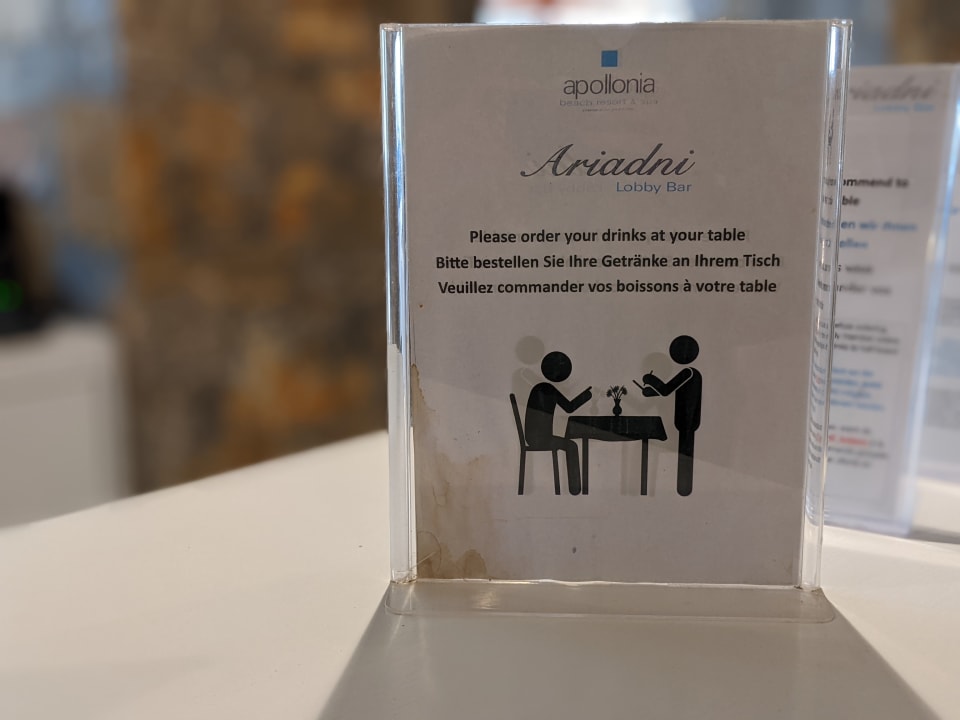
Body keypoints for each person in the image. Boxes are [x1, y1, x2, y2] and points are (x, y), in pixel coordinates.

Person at [639, 336, 702, 496]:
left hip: (687, 422)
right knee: (684, 456)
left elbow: (666, 390)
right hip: (685, 422)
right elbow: (670, 390)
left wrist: (650, 379)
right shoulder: (691, 373)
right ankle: (683, 489)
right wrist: (651, 392)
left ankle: (684, 489)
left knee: (685, 456)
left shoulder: (689, 372)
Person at [525, 351, 592, 495]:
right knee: (571, 446)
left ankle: (575, 489)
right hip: (540, 439)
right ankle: (575, 490)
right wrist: (587, 395)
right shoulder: (548, 389)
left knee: (570, 444)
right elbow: (569, 407)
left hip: (532, 437)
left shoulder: (540, 387)